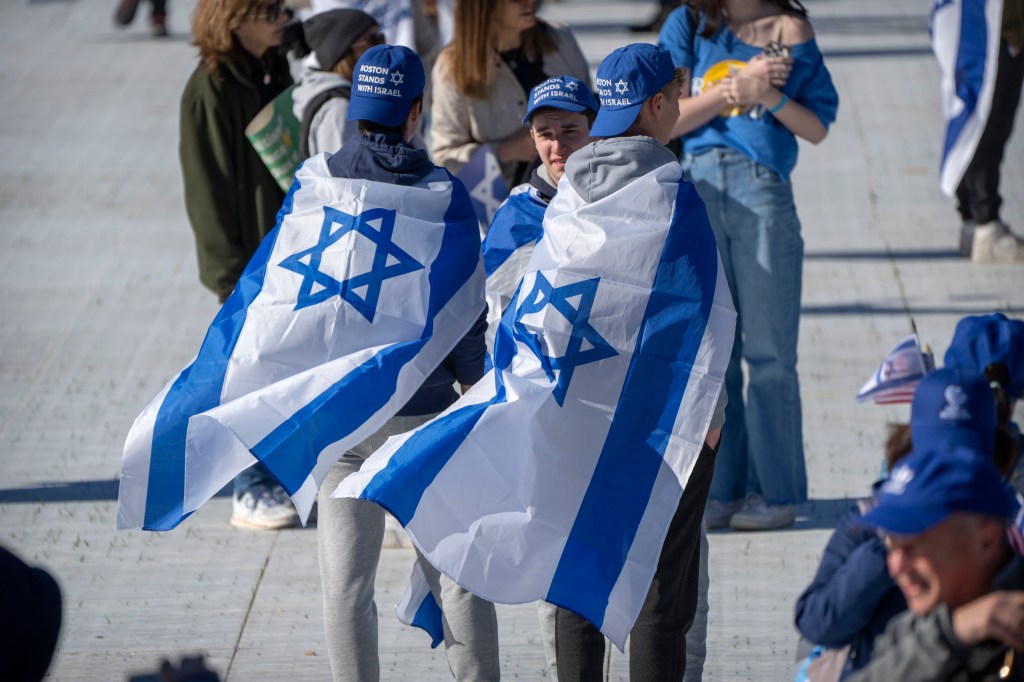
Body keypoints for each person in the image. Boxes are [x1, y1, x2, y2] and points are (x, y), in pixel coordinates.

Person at [313, 44, 499, 682]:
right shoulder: (442, 193)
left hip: (342, 423)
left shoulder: (318, 183)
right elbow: (466, 300)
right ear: (415, 113)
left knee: (345, 588)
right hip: (424, 416)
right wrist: (473, 380)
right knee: (459, 580)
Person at [550, 43, 727, 682]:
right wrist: (712, 412)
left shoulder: (566, 193)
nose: (679, 109)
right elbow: (704, 314)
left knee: (579, 579)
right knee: (659, 593)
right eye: (676, 98)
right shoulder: (671, 193)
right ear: (655, 105)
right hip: (661, 422)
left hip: (577, 410)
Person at [659, 0, 839, 531]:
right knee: (716, 352)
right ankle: (722, 490)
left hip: (763, 190)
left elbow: (816, 126)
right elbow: (668, 119)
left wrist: (768, 94)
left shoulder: (789, 29)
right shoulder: (689, 23)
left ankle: (778, 493)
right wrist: (732, 89)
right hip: (698, 187)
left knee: (769, 354)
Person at [794, 366, 1014, 680]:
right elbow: (818, 624)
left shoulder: (1008, 525)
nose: (946, 472)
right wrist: (890, 541)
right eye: (933, 456)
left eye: (967, 461)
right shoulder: (872, 520)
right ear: (909, 447)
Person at [179, 0, 300, 530]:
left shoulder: (273, 68)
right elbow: (208, 191)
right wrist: (229, 280)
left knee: (283, 369)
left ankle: (280, 475)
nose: (281, 17)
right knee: (247, 373)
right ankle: (248, 487)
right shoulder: (210, 89)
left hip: (285, 248)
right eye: (268, 10)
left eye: (283, 8)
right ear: (234, 18)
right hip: (246, 260)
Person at [847, 445, 1024, 681]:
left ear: (986, 542)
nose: (896, 567)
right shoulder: (917, 625)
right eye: (892, 545)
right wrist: (952, 633)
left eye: (915, 547)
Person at [428, 0, 592, 189]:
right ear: (482, 6)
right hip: (506, 207)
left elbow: (593, 114)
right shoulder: (452, 67)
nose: (529, 1)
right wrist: (505, 151)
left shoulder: (560, 40)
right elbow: (444, 161)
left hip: (578, 190)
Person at [955, 0, 1024, 263]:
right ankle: (986, 225)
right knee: (991, 123)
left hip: (973, 28)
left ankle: (973, 219)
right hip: (997, 31)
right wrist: (1015, 30)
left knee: (972, 119)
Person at [283, 9, 382, 158]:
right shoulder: (338, 110)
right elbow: (340, 178)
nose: (382, 48)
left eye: (381, 38)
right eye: (372, 40)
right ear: (343, 53)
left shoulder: (349, 100)